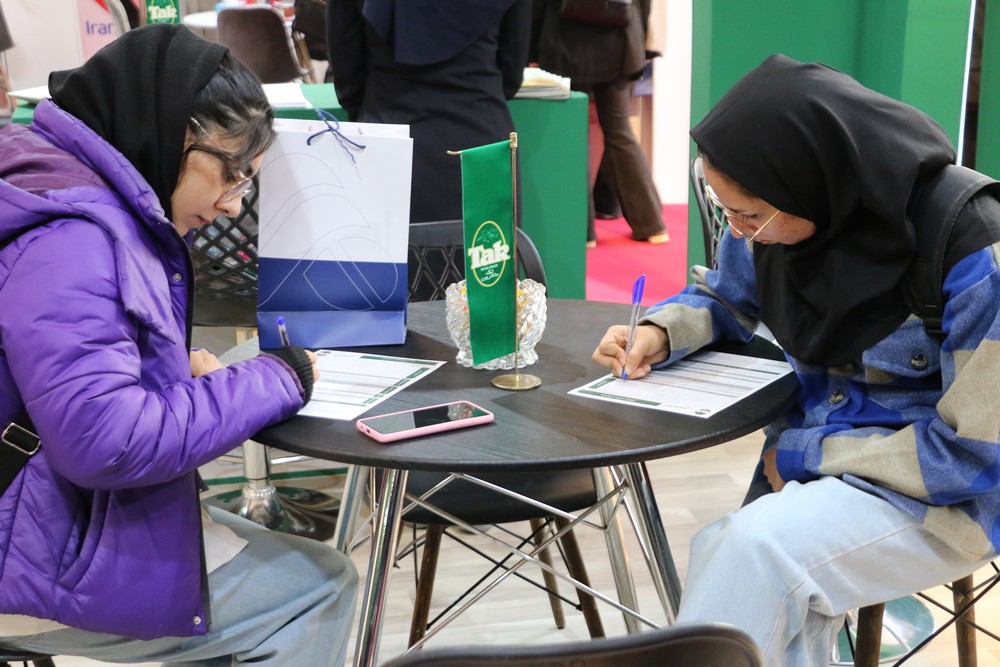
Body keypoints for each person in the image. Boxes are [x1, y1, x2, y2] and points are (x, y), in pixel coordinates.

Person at [592, 54, 1000, 667]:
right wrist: (659, 332)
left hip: (946, 496)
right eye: (723, 209)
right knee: (730, 553)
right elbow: (725, 296)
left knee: (753, 553)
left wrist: (804, 455)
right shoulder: (789, 212)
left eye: (748, 215)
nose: (736, 230)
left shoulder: (971, 247)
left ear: (813, 180)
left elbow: (974, 455)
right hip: (819, 464)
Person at [0, 24, 358, 666]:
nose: (232, 205)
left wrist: (159, 372)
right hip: (28, 552)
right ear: (173, 132)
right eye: (231, 174)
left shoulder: (51, 181)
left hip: (36, 515)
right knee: (319, 587)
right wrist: (276, 378)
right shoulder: (76, 238)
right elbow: (106, 442)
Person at [326, 0, 531, 224]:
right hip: (480, 146)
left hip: (387, 140)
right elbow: (511, 70)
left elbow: (347, 71)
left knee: (382, 245)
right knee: (486, 245)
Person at [531, 0, 668, 246]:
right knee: (620, 131)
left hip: (564, 41)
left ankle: (582, 233)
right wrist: (641, 41)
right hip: (619, 37)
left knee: (574, 135)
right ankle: (652, 225)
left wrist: (532, 49)